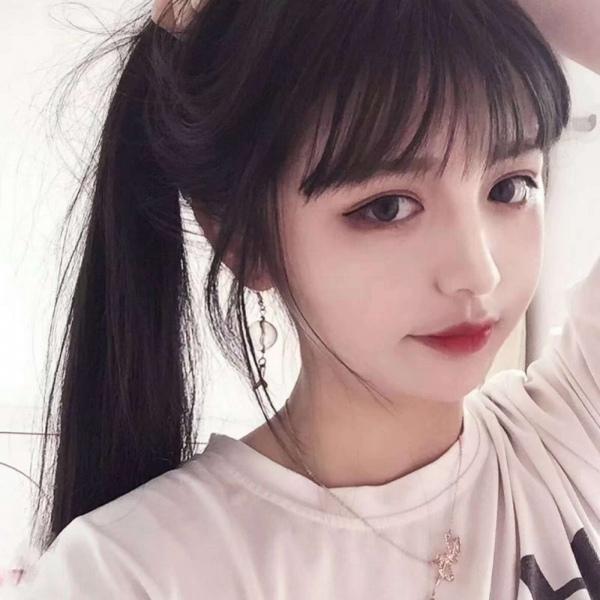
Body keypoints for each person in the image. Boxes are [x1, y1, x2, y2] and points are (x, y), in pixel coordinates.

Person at [5, 0, 600, 598]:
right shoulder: (127, 575)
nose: (478, 271)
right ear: (246, 238)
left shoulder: (570, 434)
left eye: (510, 188)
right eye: (387, 207)